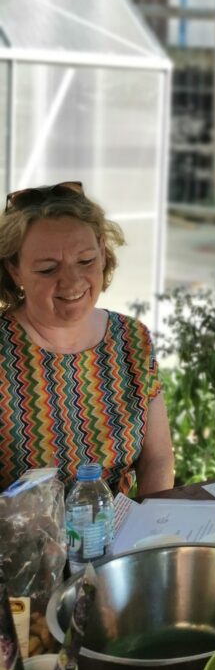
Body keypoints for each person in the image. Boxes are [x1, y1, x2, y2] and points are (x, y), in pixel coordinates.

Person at [0, 182, 174, 495]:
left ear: (102, 250)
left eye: (85, 261)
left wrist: (150, 530)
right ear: (15, 270)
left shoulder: (131, 339)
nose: (73, 281)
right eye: (48, 268)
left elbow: (157, 460)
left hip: (118, 538)